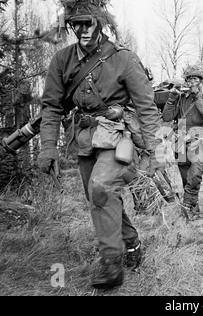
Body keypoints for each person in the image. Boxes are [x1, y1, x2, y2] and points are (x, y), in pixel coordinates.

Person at [37, 0, 165, 289]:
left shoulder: (124, 59)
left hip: (119, 138)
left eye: (88, 23)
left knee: (101, 188)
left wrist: (156, 152)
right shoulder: (62, 60)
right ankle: (131, 243)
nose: (82, 30)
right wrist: (48, 146)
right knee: (98, 197)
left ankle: (111, 264)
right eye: (76, 24)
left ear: (100, 22)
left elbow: (147, 108)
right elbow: (51, 106)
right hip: (84, 140)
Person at [162, 64, 203, 220]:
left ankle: (187, 205)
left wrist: (197, 96)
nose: (192, 82)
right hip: (180, 139)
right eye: (189, 79)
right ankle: (193, 208)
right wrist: (171, 98)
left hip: (200, 138)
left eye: (195, 79)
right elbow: (166, 117)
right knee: (185, 175)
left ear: (201, 81)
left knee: (196, 173)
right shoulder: (180, 97)